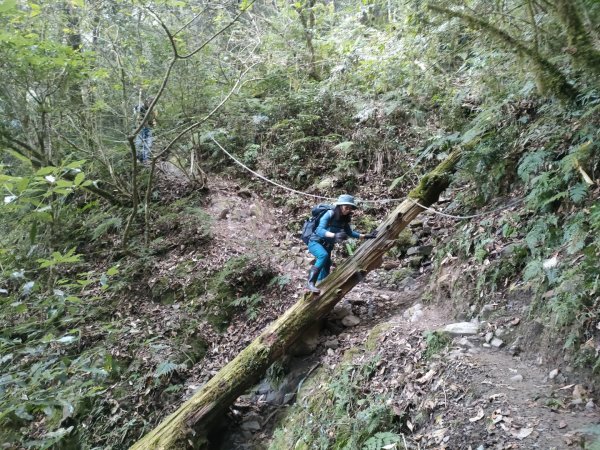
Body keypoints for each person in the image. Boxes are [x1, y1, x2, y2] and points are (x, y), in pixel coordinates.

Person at [306, 194, 377, 294]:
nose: (347, 210)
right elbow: (319, 230)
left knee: (326, 267)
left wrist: (366, 236)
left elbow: (350, 233)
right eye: (346, 207)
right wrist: (334, 236)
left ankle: (320, 287)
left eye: (350, 208)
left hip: (328, 246)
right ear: (340, 206)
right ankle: (310, 283)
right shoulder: (329, 214)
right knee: (323, 255)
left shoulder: (344, 220)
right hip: (315, 242)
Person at [134, 97, 157, 163]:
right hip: (140, 128)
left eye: (152, 103)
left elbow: (153, 119)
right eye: (150, 102)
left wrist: (153, 122)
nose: (151, 104)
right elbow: (136, 114)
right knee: (139, 143)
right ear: (146, 102)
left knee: (148, 143)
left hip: (148, 128)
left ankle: (146, 159)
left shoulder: (152, 110)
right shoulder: (140, 107)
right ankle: (138, 158)